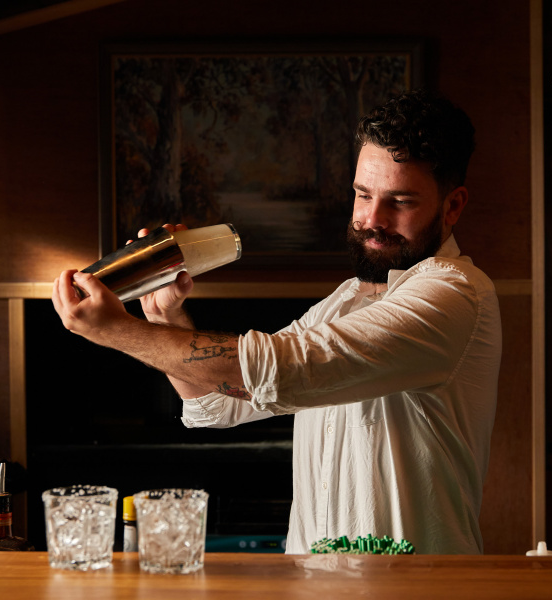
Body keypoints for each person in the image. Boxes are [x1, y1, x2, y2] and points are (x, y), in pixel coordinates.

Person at [53, 89, 502, 554]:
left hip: (418, 585)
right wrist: (163, 315)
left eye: (400, 201)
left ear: (452, 206)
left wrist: (117, 330)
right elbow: (218, 405)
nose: (372, 219)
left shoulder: (454, 293)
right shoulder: (342, 302)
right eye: (363, 194)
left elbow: (282, 367)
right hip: (315, 582)